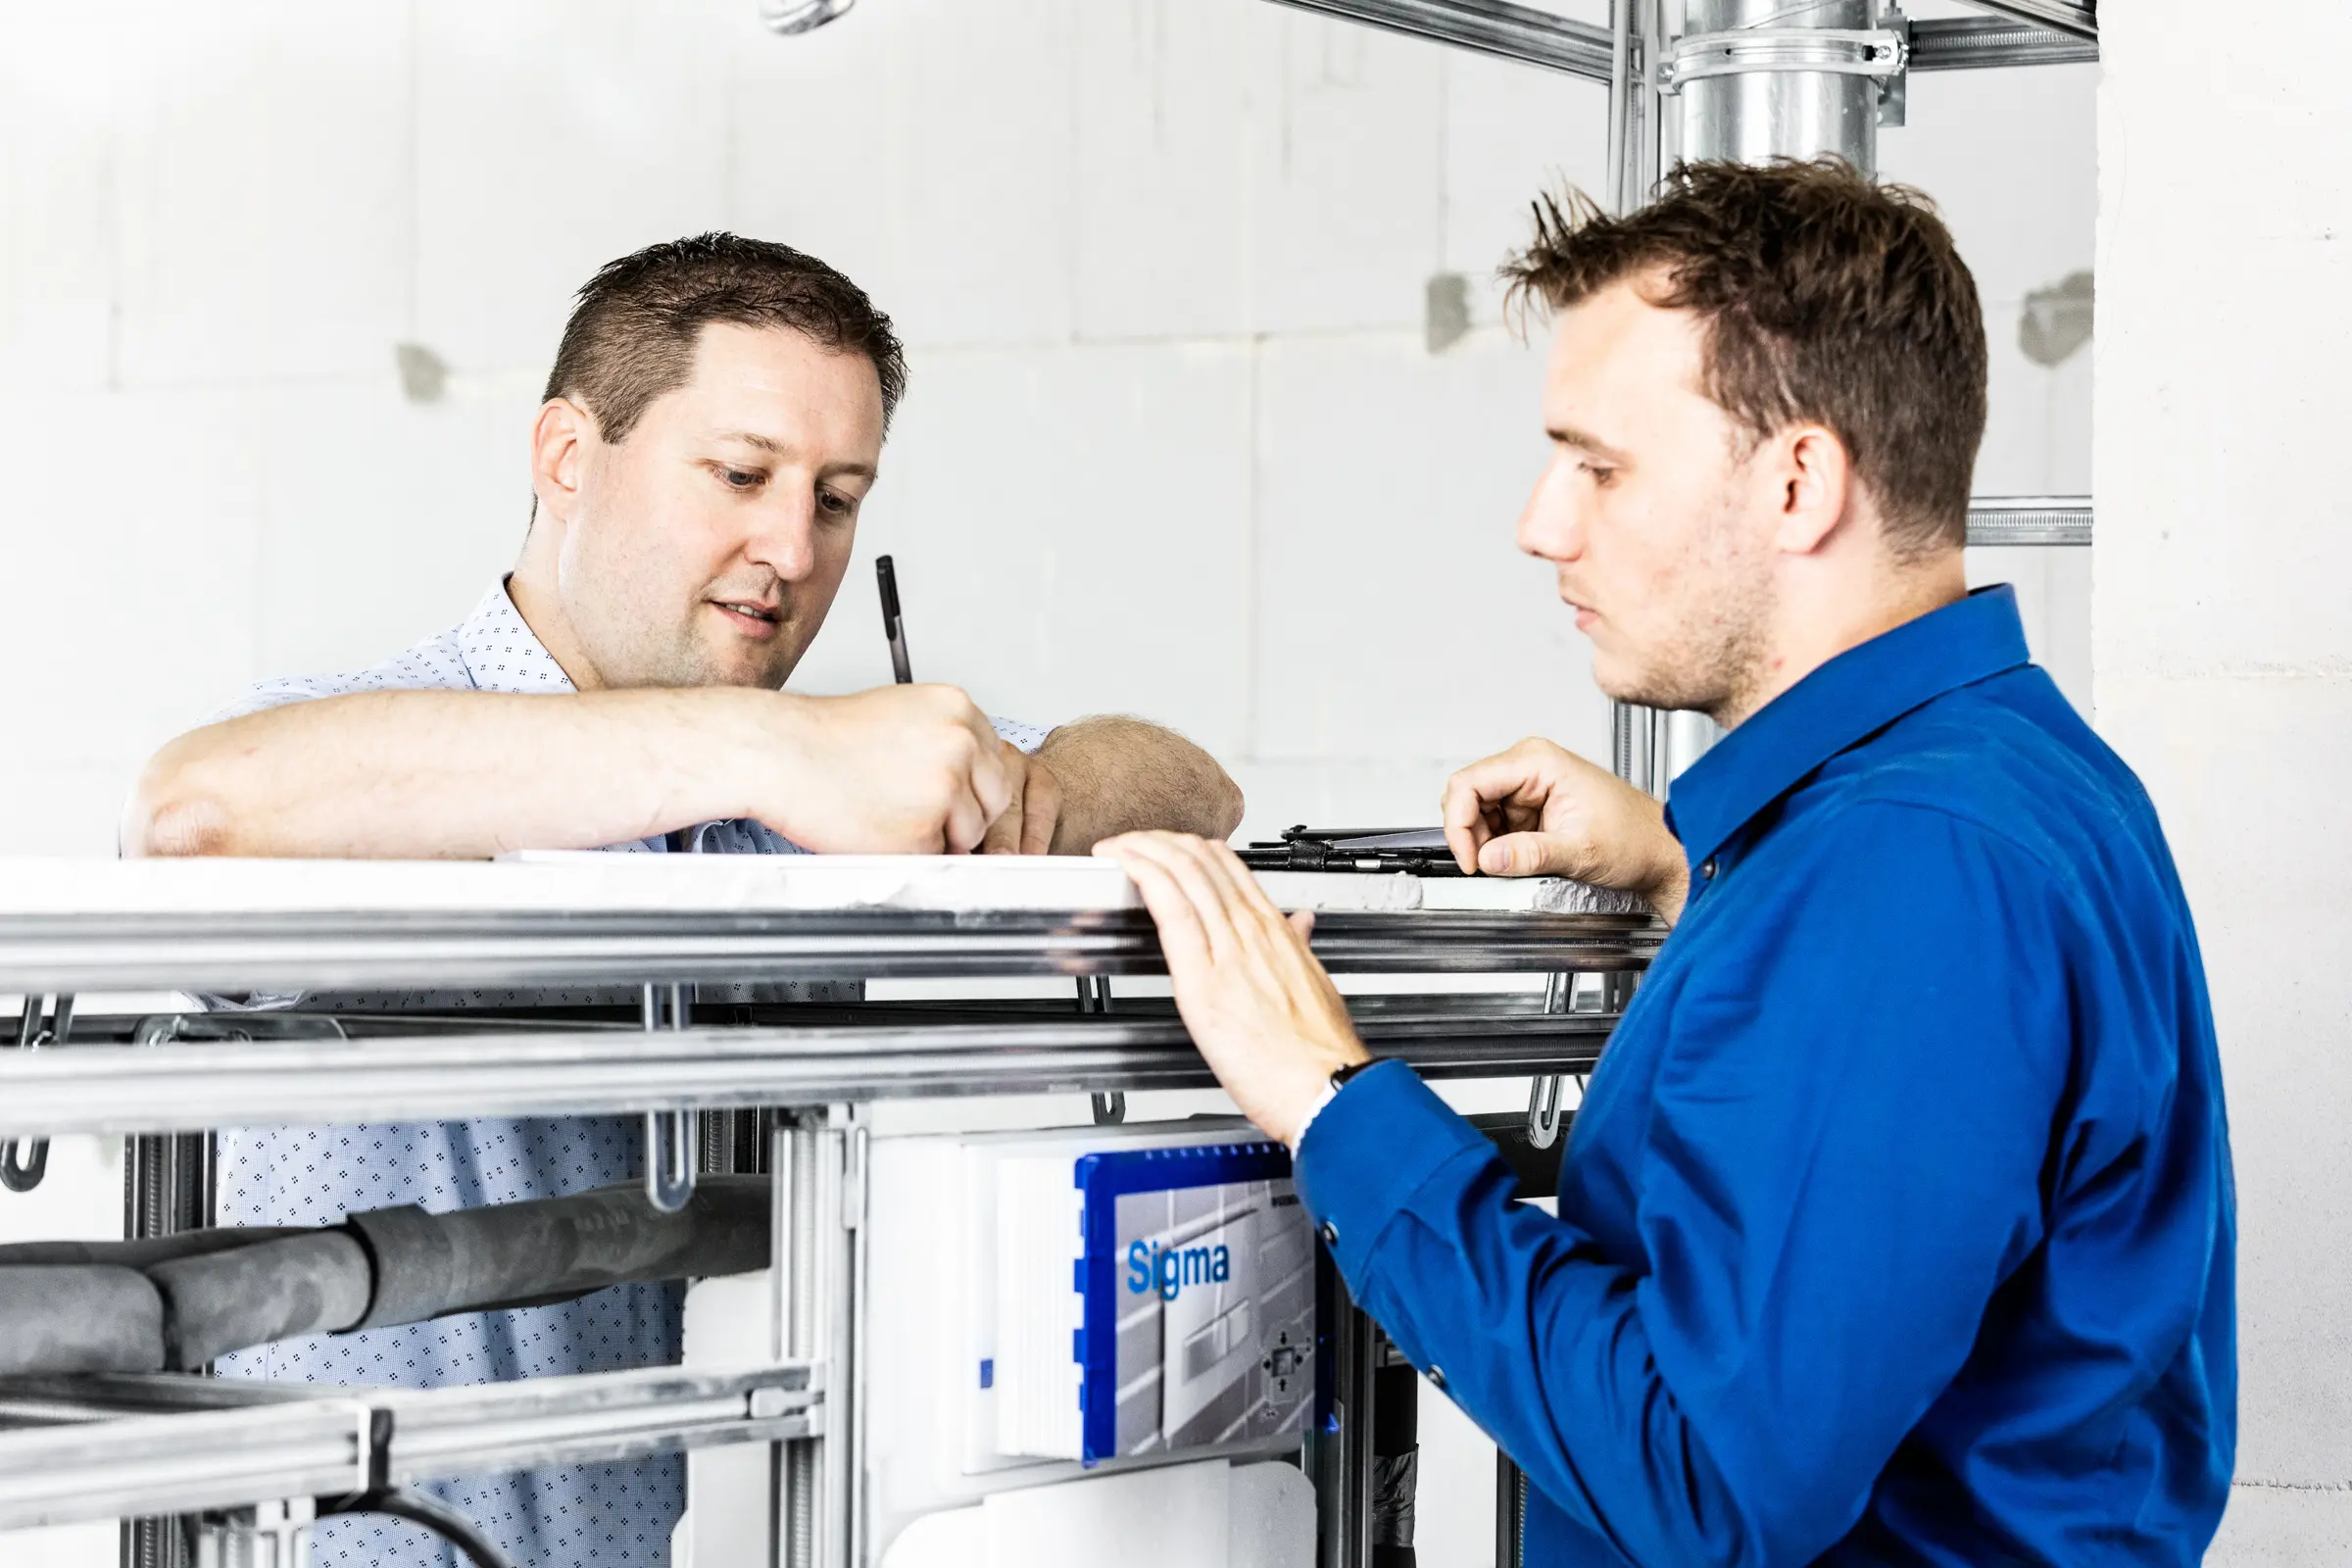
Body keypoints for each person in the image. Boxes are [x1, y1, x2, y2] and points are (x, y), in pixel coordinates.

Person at [1098, 161, 2235, 1565]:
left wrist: (1330, 1103)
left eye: (1599, 466)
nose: (1542, 523)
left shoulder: (1908, 869)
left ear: (1798, 481)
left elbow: (1712, 1476)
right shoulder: (1985, 784)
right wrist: (1691, 870)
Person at [123, 233, 1242, 1568]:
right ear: (564, 456)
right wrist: (761, 745)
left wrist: (1037, 785)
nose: (790, 545)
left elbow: (1195, 783)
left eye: (836, 498)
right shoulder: (388, 748)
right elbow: (193, 817)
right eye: (740, 474)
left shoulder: (830, 779)